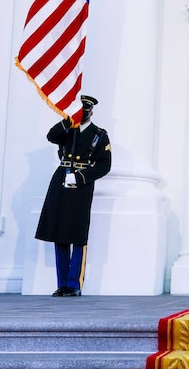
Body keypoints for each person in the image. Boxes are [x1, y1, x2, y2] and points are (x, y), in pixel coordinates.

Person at [35, 95, 111, 297]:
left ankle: (74, 283)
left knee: (77, 234)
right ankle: (61, 284)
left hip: (81, 185)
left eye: (85, 111)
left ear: (91, 112)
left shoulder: (99, 135)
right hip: (61, 180)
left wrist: (81, 177)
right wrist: (66, 121)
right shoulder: (67, 129)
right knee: (59, 232)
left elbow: (105, 165)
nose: (83, 114)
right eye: (79, 110)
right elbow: (51, 136)